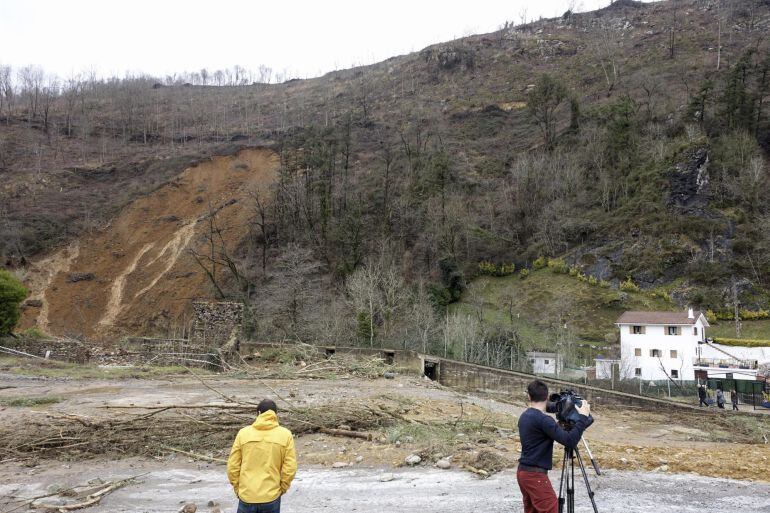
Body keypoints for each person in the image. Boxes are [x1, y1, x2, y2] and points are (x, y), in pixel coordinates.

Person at [517, 380, 593, 513]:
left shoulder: (525, 416)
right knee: (551, 510)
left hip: (523, 473)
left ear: (529, 396)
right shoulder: (544, 420)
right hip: (535, 476)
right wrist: (582, 417)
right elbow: (570, 441)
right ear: (546, 397)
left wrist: (561, 425)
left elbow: (543, 434)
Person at [227, 399, 297, 513]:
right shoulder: (285, 435)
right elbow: (290, 468)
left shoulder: (243, 433)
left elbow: (232, 467)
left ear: (258, 413)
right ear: (275, 414)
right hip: (271, 496)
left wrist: (238, 488)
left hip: (246, 496)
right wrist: (282, 488)